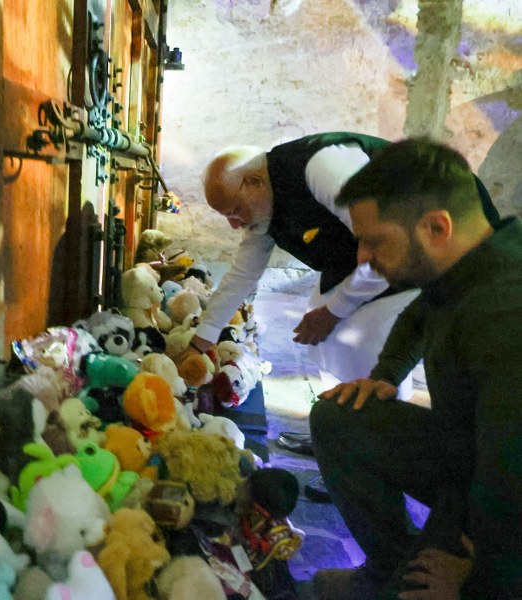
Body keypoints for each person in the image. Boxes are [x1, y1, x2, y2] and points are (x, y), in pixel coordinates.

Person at [184, 132, 498, 456]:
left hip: (427, 253)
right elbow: (242, 275)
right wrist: (199, 342)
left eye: (234, 210)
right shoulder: (264, 205)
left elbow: (387, 244)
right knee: (322, 338)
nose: (235, 224)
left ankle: (377, 445)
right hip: (366, 259)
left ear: (253, 182)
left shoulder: (324, 166)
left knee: (362, 339)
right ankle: (337, 432)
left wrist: (334, 312)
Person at [309, 137, 522, 600]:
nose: (363, 257)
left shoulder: (505, 315)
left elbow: (512, 482)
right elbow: (418, 316)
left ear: (436, 227)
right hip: (470, 464)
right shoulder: (466, 268)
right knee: (339, 415)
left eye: (375, 241)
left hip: (502, 511)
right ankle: (386, 569)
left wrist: (477, 580)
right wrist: (384, 377)